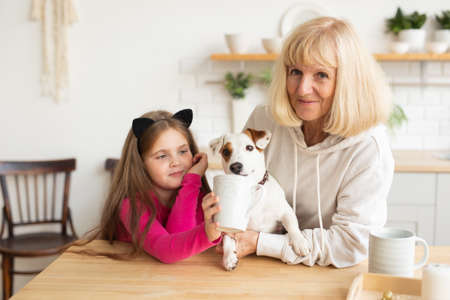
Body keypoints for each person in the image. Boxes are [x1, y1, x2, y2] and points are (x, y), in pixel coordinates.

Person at [221, 17, 394, 268]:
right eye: (296, 72)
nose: (302, 89)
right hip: (259, 266)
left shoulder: (368, 147)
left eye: (321, 75)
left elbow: (351, 243)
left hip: (332, 272)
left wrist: (261, 243)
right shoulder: (263, 121)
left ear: (347, 82)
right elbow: (240, 193)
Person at [78, 109, 222, 263]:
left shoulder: (200, 197)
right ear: (141, 163)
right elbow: (171, 250)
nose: (176, 162)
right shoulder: (132, 206)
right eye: (162, 156)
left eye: (182, 151)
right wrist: (192, 181)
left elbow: (185, 253)